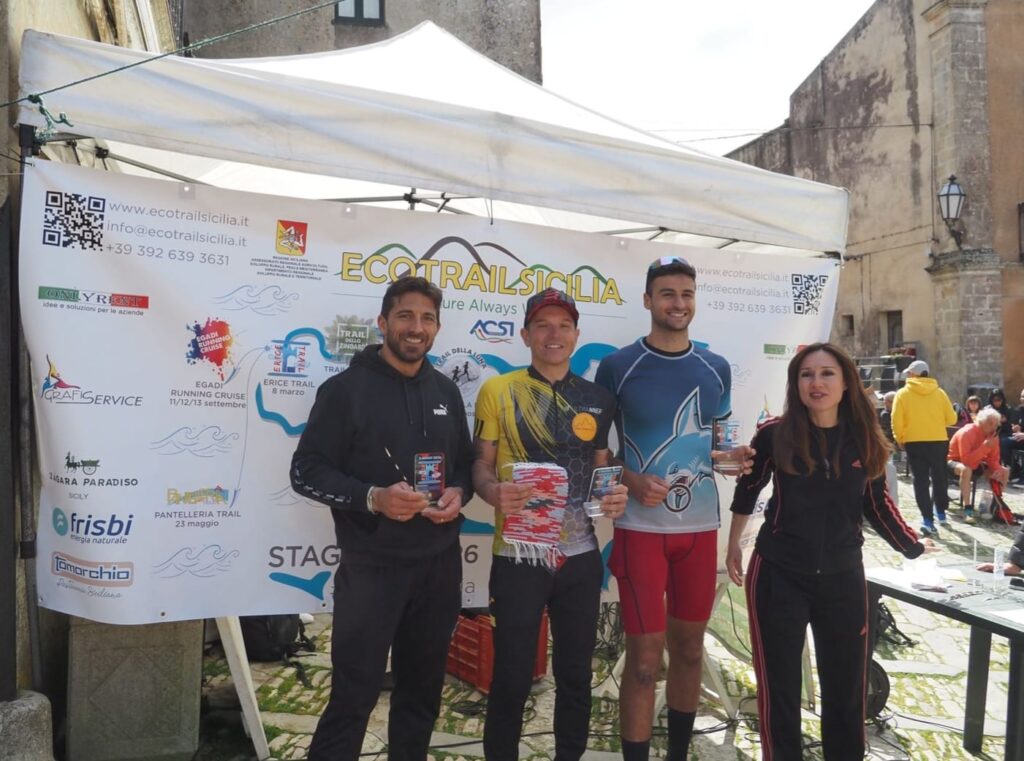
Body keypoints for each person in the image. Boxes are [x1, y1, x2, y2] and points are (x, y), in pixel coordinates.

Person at [290, 276, 474, 761]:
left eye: (427, 318)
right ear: (383, 322)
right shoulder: (344, 391)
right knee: (353, 696)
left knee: (422, 693)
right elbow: (305, 471)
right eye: (405, 316)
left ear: (437, 328)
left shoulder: (446, 391)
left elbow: (463, 466)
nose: (417, 327)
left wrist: (458, 492)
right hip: (372, 567)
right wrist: (373, 498)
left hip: (439, 565)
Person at [726, 342, 932, 761]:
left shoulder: (863, 437)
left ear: (846, 383)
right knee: (779, 688)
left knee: (846, 689)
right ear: (795, 384)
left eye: (826, 374)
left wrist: (912, 545)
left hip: (843, 578)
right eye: (806, 375)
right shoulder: (774, 434)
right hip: (778, 573)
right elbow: (748, 487)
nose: (816, 383)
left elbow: (876, 503)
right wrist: (733, 545)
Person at [594, 256, 752, 761]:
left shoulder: (715, 367)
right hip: (640, 531)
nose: (678, 303)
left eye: (686, 294)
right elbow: (596, 452)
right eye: (667, 294)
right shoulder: (619, 367)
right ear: (648, 300)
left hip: (700, 530)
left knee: (689, 651)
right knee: (644, 662)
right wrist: (631, 479)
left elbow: (718, 445)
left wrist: (733, 458)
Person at [473, 287, 628, 761]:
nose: (553, 334)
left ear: (577, 335)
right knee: (511, 676)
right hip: (518, 555)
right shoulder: (498, 390)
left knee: (576, 675)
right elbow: (480, 465)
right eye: (542, 325)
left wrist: (613, 495)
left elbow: (603, 470)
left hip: (580, 557)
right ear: (525, 335)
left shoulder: (598, 398)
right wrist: (492, 491)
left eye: (563, 325)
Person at [891, 359, 957, 535]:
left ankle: (927, 520)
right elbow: (952, 419)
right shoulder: (940, 393)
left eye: (909, 373)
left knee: (920, 481)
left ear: (913, 374)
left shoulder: (903, 394)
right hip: (938, 441)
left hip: (915, 442)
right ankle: (941, 512)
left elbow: (896, 420)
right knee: (940, 477)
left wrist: (899, 438)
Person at [947, 407, 1010, 523]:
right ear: (981, 421)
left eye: (996, 424)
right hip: (953, 462)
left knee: (1004, 471)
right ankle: (968, 510)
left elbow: (993, 459)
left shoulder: (993, 436)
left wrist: (996, 470)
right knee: (966, 469)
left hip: (977, 462)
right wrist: (985, 447)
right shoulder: (967, 432)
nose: (993, 427)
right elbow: (966, 460)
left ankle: (996, 506)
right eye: (990, 423)